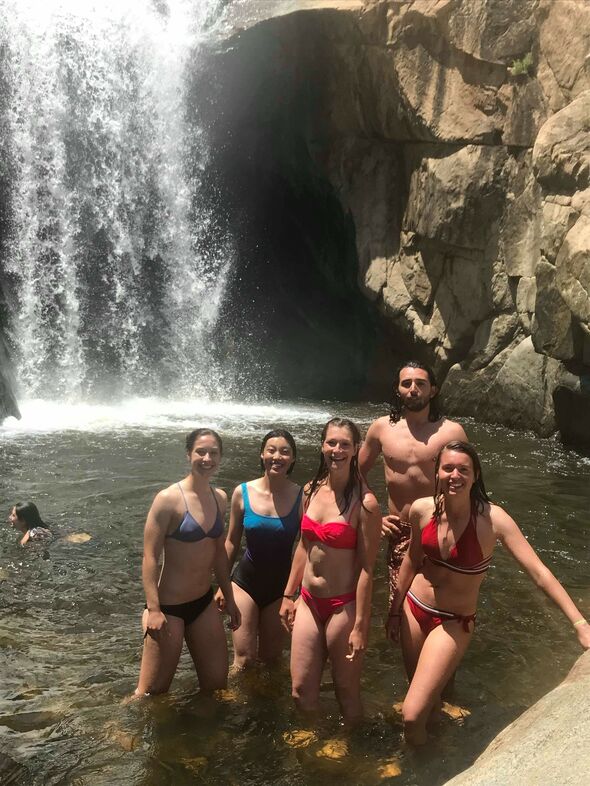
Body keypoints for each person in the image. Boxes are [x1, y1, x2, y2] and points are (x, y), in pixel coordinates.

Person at [387, 439, 590, 745]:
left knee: (412, 713)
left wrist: (580, 624)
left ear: (476, 475)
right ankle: (433, 751)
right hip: (413, 609)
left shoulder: (494, 519)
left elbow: (538, 572)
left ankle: (420, 763)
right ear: (437, 472)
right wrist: (393, 608)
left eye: (463, 469)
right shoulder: (422, 509)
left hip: (454, 621)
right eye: (448, 468)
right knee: (425, 701)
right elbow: (413, 559)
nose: (455, 475)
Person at [280, 417, 381, 724]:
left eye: (344, 444)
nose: (337, 450)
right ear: (322, 445)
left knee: (346, 690)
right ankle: (313, 746)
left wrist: (361, 625)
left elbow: (367, 569)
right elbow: (303, 546)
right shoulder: (310, 490)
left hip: (343, 606)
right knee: (300, 691)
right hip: (309, 601)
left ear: (356, 450)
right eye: (331, 443)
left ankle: (353, 751)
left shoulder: (366, 504)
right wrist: (289, 594)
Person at [135, 428, 240, 697]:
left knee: (217, 687)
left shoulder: (220, 498)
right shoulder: (168, 500)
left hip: (202, 604)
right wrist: (154, 610)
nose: (207, 458)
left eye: (213, 453)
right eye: (200, 452)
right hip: (168, 608)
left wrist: (230, 598)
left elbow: (218, 552)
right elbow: (149, 557)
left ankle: (204, 736)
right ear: (188, 455)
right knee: (151, 694)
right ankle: (120, 732)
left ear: (220, 457)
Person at [358, 360, 467, 611]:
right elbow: (357, 474)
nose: (413, 389)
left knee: (441, 604)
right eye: (406, 384)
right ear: (398, 390)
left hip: (441, 529)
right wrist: (375, 517)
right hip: (399, 532)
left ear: (433, 390)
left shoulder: (452, 432)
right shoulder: (381, 428)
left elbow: (470, 482)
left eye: (420, 383)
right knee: (399, 606)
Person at [216, 429, 303, 669]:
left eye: (285, 452)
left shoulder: (302, 496)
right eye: (271, 450)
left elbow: (305, 547)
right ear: (262, 454)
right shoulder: (242, 493)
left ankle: (266, 706)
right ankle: (234, 706)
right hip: (245, 583)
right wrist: (223, 584)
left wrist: (295, 593)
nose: (277, 456)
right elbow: (232, 541)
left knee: (271, 660)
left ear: (293, 459)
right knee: (243, 660)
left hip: (281, 588)